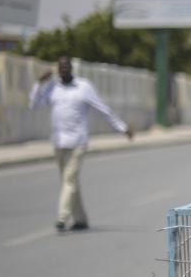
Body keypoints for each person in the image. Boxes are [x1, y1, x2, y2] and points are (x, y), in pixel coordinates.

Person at [29, 56, 134, 231]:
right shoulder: (52, 88)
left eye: (66, 67)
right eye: (61, 67)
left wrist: (122, 128)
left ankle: (62, 217)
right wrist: (38, 83)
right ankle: (81, 219)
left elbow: (102, 109)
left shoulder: (83, 87)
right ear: (57, 70)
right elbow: (33, 105)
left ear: (71, 68)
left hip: (78, 142)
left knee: (69, 179)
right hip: (58, 142)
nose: (63, 70)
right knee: (70, 183)